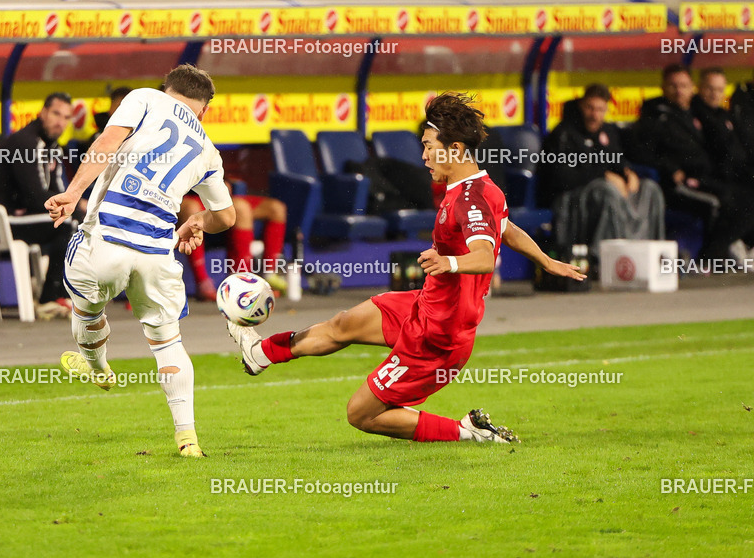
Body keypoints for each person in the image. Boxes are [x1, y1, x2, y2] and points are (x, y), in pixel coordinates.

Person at [226, 92, 586, 445]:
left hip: (440, 336)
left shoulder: (471, 198)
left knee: (361, 414)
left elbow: (484, 256)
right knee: (343, 324)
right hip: (425, 305)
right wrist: (546, 260)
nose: (424, 156)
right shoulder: (478, 188)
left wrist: (449, 262)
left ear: (456, 150)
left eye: (430, 147)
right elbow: (505, 228)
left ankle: (467, 431)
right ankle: (260, 354)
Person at [45, 65, 236, 458]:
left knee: (86, 306)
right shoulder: (207, 148)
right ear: (204, 112)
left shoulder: (145, 98)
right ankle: (188, 439)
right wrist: (196, 220)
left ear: (168, 90)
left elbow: (106, 142)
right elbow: (228, 217)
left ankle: (97, 367)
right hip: (156, 254)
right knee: (167, 343)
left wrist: (72, 190)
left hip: (107, 239)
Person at [626, 65, 754, 262]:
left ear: (691, 87)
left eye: (684, 86)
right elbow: (639, 152)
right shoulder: (655, 117)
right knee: (728, 202)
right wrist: (670, 168)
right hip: (681, 182)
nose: (679, 91)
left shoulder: (696, 113)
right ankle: (712, 256)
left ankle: (733, 247)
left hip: (707, 176)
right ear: (663, 87)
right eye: (673, 86)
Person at [539, 83, 665, 251]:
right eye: (590, 108)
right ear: (581, 106)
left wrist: (628, 173)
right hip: (572, 197)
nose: (594, 115)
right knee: (606, 191)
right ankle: (606, 256)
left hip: (609, 190)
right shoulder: (563, 134)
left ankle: (650, 252)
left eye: (600, 110)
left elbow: (617, 160)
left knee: (651, 189)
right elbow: (562, 178)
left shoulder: (607, 131)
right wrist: (603, 176)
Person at [0, 93, 75, 309]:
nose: (60, 122)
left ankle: (62, 295)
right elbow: (34, 195)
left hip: (21, 218)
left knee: (78, 223)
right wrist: (69, 210)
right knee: (66, 226)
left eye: (66, 117)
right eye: (55, 114)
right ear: (43, 113)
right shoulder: (26, 142)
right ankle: (50, 298)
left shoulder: (53, 148)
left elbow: (58, 191)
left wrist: (75, 209)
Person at [179, 186, 288, 301]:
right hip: (179, 195)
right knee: (192, 209)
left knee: (244, 208)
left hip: (214, 193)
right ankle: (202, 283)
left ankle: (242, 280)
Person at [691, 68, 754, 194]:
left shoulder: (723, 115)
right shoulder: (692, 114)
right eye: (710, 89)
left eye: (719, 90)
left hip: (735, 174)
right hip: (718, 179)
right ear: (699, 87)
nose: (715, 94)